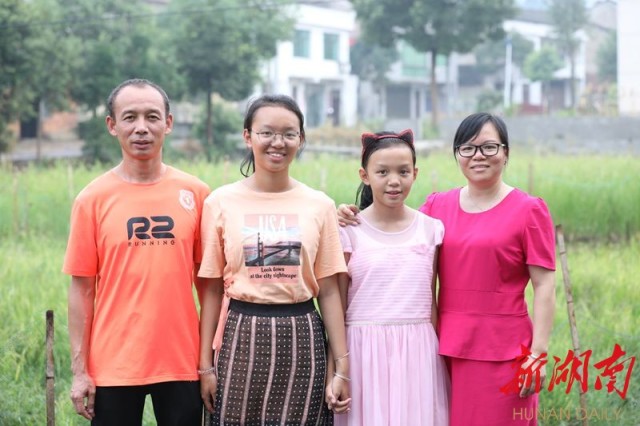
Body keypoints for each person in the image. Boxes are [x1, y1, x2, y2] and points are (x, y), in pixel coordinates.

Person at [338, 113, 556, 426]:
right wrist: (347, 214)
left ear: (506, 152)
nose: (478, 156)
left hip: (504, 350)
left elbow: (545, 285)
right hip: (446, 349)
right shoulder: (437, 207)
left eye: (489, 147)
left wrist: (538, 354)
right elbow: (392, 234)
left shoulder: (528, 209)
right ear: (457, 155)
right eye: (468, 148)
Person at [197, 94, 351, 425]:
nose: (277, 143)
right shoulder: (220, 202)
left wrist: (341, 367)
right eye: (267, 132)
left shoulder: (319, 204)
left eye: (288, 134)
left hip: (302, 337)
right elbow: (211, 289)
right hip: (241, 336)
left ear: (301, 139)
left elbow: (329, 291)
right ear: (247, 136)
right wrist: (205, 366)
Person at [63, 79, 210, 425]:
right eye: (130, 117)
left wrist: (209, 362)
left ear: (168, 123)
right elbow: (82, 290)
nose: (141, 127)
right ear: (112, 125)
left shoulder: (197, 194)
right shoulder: (91, 199)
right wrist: (80, 371)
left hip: (182, 363)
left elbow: (209, 286)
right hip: (113, 366)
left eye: (152, 116)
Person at [333, 129, 449, 426]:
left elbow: (432, 301)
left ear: (415, 174)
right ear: (365, 175)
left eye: (403, 171)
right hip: (362, 353)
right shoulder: (348, 230)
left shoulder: (431, 230)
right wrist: (337, 367)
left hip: (418, 351)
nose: (394, 181)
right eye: (382, 172)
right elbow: (338, 305)